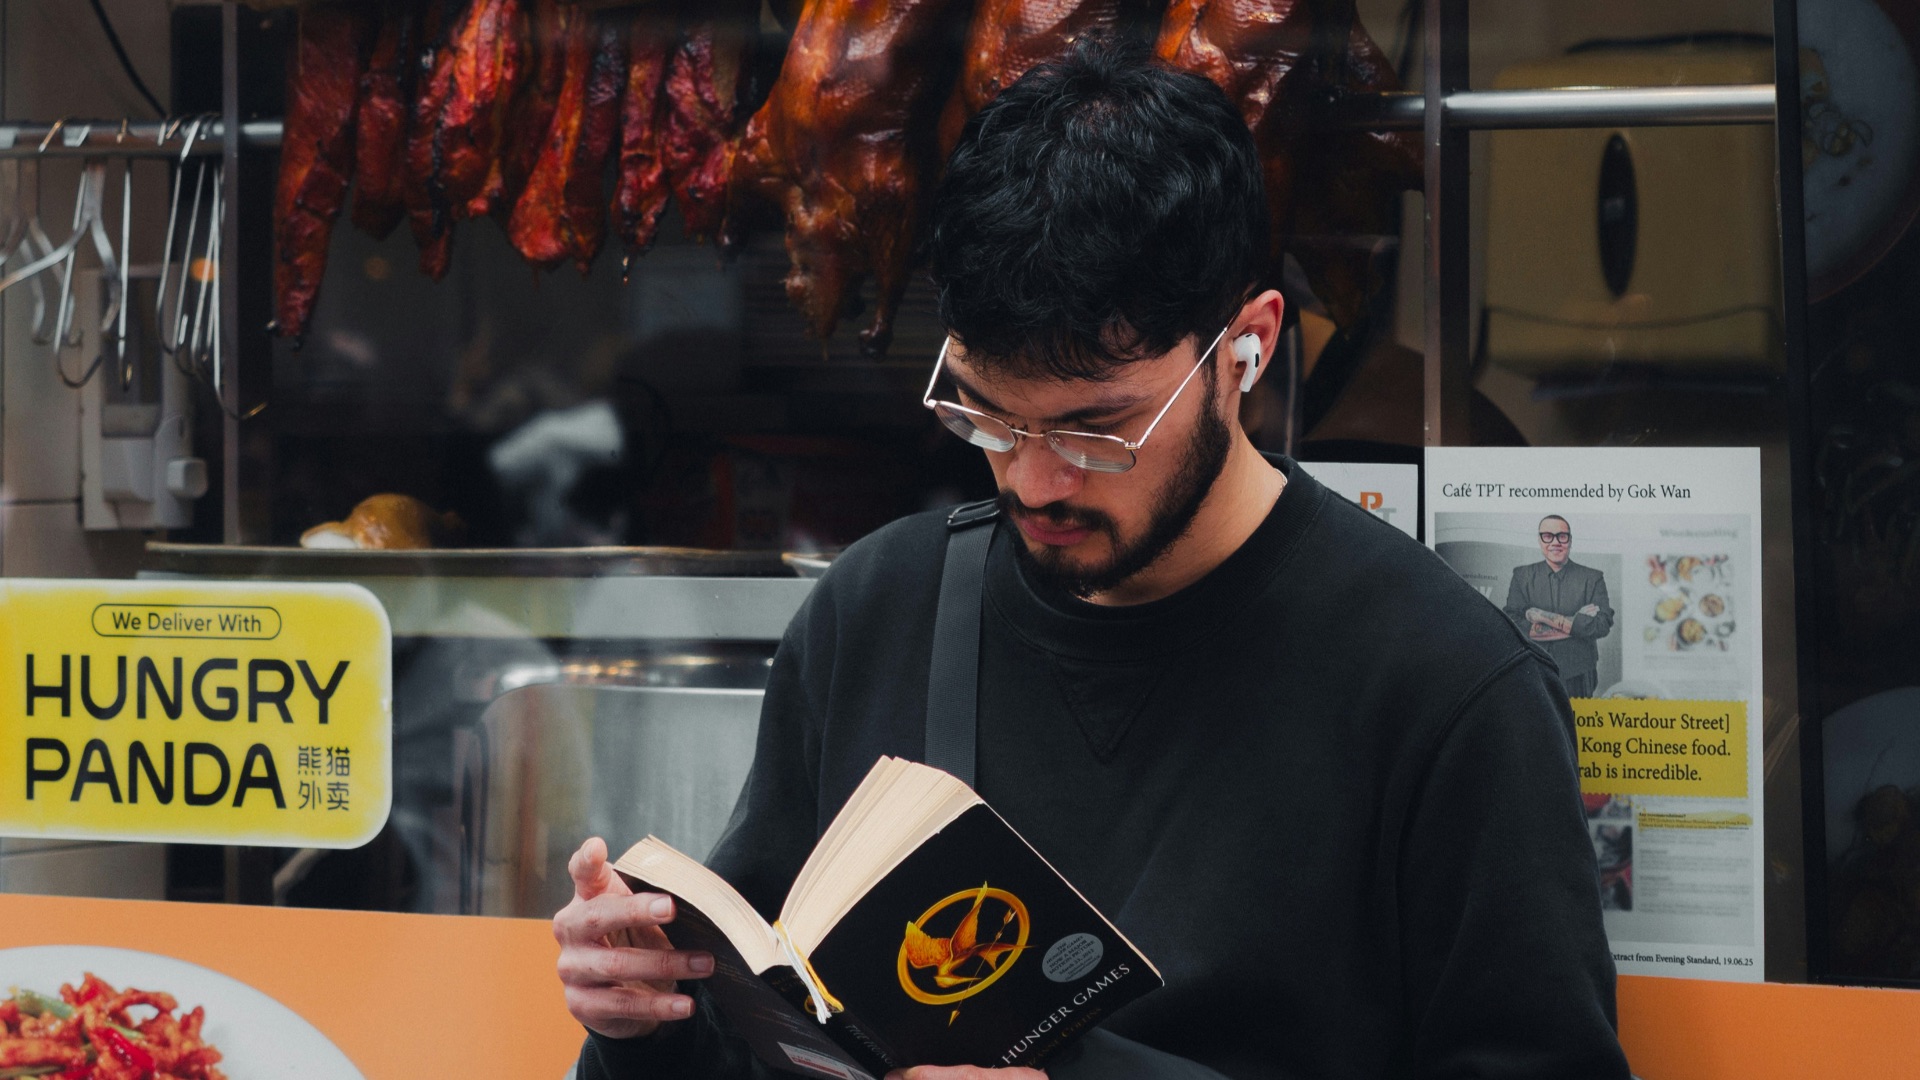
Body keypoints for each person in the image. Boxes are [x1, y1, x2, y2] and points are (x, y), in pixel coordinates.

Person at [554, 39, 1628, 1080]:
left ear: (1246, 347)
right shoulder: (879, 609)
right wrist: (647, 1028)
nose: (1033, 480)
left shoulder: (1448, 691)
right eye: (986, 417)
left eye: (1095, 430)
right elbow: (772, 1038)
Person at [1502, 516, 1615, 699]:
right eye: (1548, 536)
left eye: (1562, 536)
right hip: (1534, 670)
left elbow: (1602, 625)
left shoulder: (1593, 577)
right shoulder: (1521, 576)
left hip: (1579, 673)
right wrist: (1576, 622)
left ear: (1570, 540)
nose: (1555, 542)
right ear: (1540, 540)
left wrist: (1541, 615)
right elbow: (1513, 624)